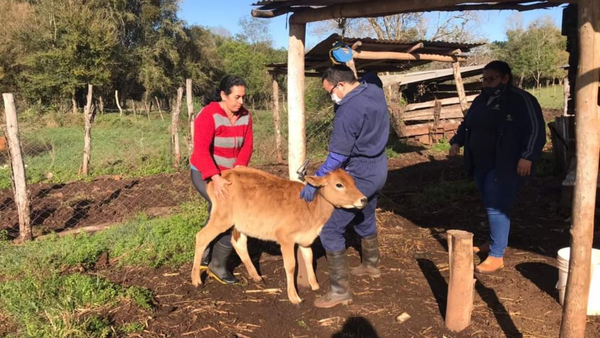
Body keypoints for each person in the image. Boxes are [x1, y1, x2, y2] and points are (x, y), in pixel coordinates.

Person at [300, 66, 389, 308]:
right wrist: (350, 60)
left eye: (330, 91)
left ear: (341, 85)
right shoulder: (373, 91)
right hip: (379, 167)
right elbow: (372, 76)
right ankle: (371, 265)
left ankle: (340, 291)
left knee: (330, 229)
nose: (332, 97)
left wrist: (317, 179)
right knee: (365, 212)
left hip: (359, 172)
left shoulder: (348, 110)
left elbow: (338, 155)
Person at [449, 61, 545, 274]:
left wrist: (527, 156)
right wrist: (457, 141)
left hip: (505, 163)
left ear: (505, 78)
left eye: (491, 79)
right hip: (480, 162)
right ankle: (492, 242)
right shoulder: (481, 100)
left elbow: (536, 130)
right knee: (489, 202)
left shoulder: (521, 100)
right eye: (484, 79)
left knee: (496, 205)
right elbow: (468, 124)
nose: (486, 83)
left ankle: (496, 255)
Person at [190, 75, 253, 284]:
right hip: (204, 172)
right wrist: (215, 177)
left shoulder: (245, 116)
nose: (241, 102)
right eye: (236, 97)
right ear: (223, 95)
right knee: (227, 214)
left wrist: (238, 171)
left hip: (230, 173)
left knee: (219, 212)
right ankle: (217, 266)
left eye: (243, 97)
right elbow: (200, 151)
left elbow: (247, 147)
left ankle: (207, 255)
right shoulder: (209, 115)